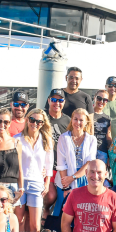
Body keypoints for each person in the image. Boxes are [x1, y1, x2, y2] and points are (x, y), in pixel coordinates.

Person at [14, 109, 54, 232]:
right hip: (19, 183)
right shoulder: (17, 139)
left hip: (37, 183)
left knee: (36, 225)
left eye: (39, 121)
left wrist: (47, 183)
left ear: (42, 123)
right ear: (27, 120)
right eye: (32, 120)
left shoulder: (46, 139)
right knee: (18, 220)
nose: (35, 123)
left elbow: (49, 164)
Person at [53, 108, 97, 216]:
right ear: (71, 120)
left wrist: (73, 178)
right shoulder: (63, 138)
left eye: (81, 120)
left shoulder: (92, 139)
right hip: (65, 179)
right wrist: (66, 186)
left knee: (82, 213)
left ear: (86, 122)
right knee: (63, 212)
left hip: (83, 180)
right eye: (75, 119)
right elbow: (61, 164)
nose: (78, 123)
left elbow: (89, 163)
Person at [44, 88, 71, 217]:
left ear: (64, 102)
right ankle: (44, 213)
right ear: (49, 100)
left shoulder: (68, 121)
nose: (57, 103)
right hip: (44, 167)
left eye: (60, 100)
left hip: (61, 167)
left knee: (61, 201)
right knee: (50, 196)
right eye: (54, 100)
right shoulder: (41, 117)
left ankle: (53, 230)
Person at [92, 90, 112, 164]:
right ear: (94, 98)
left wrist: (110, 155)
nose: (101, 101)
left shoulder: (107, 118)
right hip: (89, 151)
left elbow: (108, 137)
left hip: (102, 152)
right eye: (99, 98)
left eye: (105, 100)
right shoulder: (88, 115)